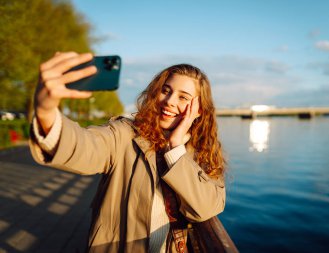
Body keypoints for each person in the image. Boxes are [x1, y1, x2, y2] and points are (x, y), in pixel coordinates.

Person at [30, 52, 226, 253]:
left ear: (199, 110)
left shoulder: (203, 152)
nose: (169, 101)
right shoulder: (125, 134)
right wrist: (46, 113)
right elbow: (84, 146)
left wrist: (175, 148)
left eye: (183, 97)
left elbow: (206, 208)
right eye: (165, 91)